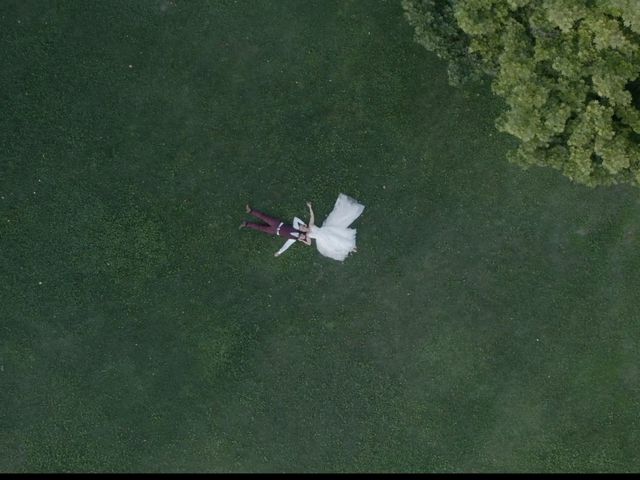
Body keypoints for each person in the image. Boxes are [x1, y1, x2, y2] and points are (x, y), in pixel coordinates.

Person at [307, 193, 364, 261]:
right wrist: (301, 239)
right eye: (302, 229)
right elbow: (309, 243)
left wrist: (310, 207)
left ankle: (351, 247)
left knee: (338, 233)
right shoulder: (306, 235)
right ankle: (351, 248)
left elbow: (312, 216)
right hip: (323, 239)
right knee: (336, 242)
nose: (303, 228)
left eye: (302, 226)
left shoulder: (310, 225)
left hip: (326, 231)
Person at [239, 203, 312, 256]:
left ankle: (246, 224)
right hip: (277, 223)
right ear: (302, 233)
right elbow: (295, 218)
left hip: (274, 231)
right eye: (303, 236)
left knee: (260, 228)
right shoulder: (296, 228)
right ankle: (250, 211)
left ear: (302, 240)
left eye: (303, 238)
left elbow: (286, 246)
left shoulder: (293, 239)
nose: (303, 237)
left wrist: (279, 252)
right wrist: (303, 224)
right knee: (264, 217)